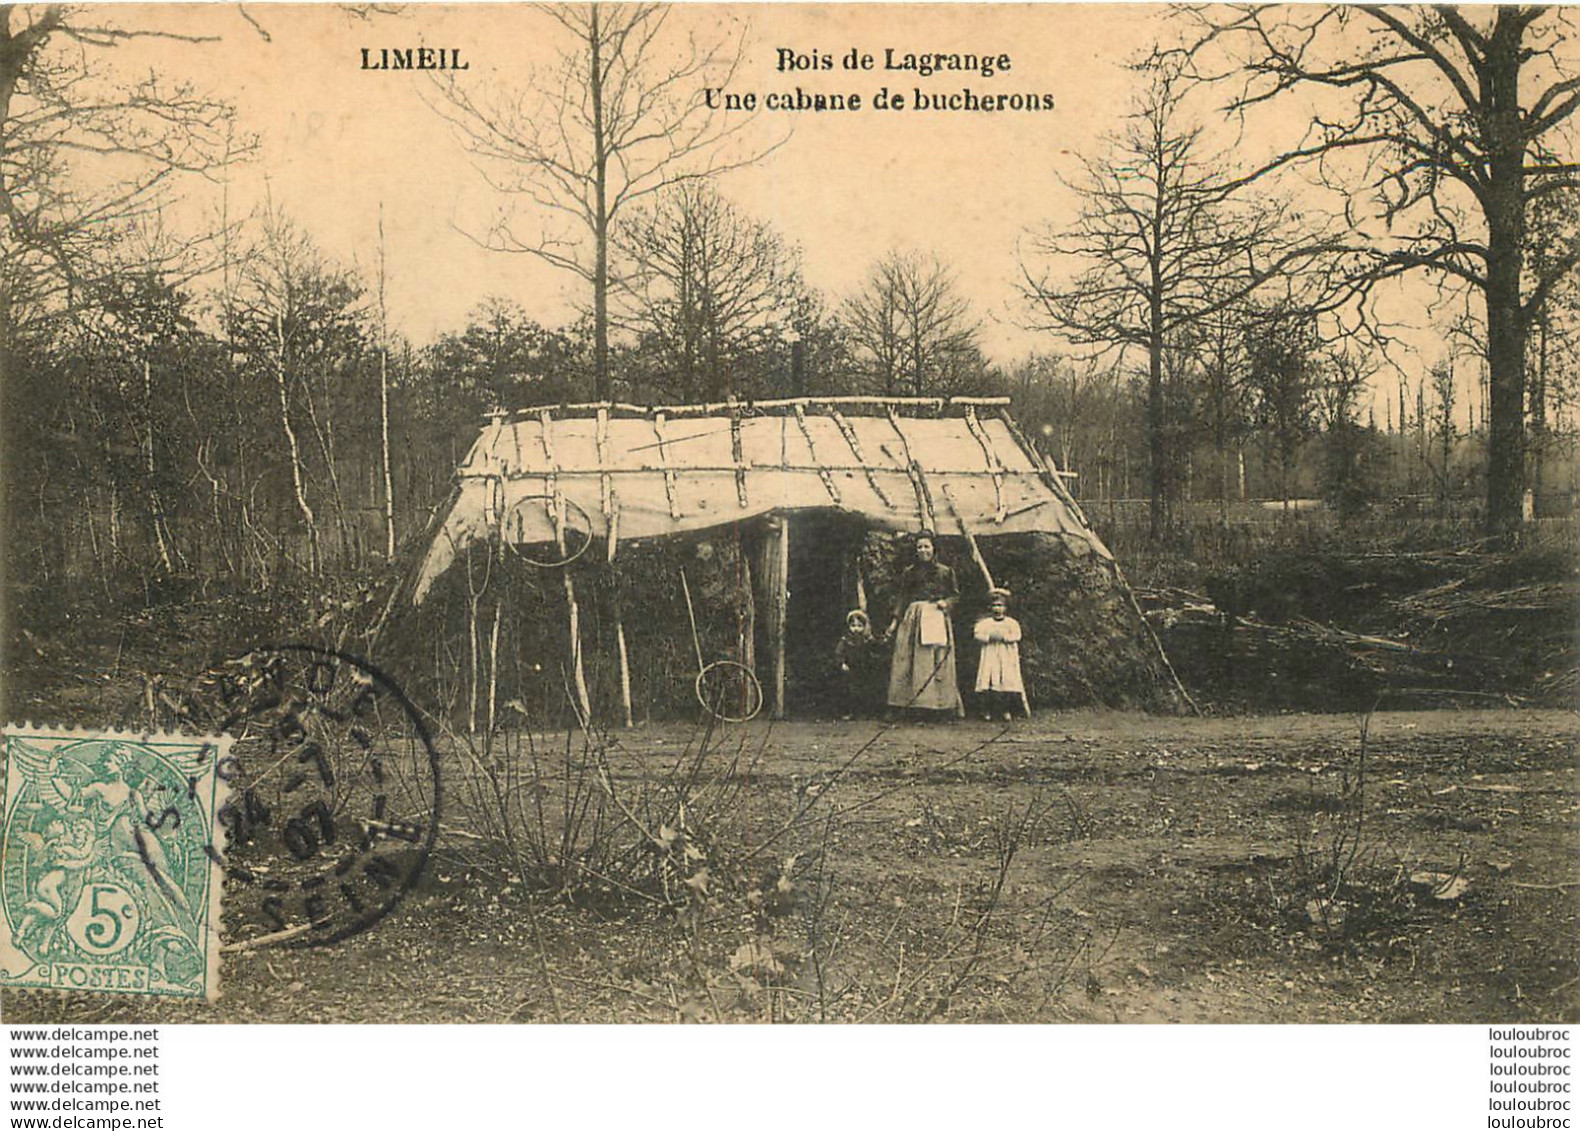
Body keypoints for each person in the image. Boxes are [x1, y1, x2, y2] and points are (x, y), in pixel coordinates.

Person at [885, 531, 964, 718]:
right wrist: (895, 622)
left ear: (933, 548)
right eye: (919, 547)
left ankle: (940, 706)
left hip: (936, 616)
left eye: (926, 546)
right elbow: (902, 597)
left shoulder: (945, 571)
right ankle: (907, 705)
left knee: (935, 660)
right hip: (913, 618)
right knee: (908, 661)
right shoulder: (909, 572)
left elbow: (955, 595)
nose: (923, 550)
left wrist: (947, 603)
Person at [974, 587, 1028, 720]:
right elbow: (977, 635)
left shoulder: (1011, 623)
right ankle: (987, 711)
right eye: (994, 606)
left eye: (1000, 606)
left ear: (1005, 608)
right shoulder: (985, 623)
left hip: (1006, 655)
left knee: (1006, 679)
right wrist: (989, 637)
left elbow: (1017, 635)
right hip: (990, 653)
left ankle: (1006, 710)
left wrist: (1004, 637)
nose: (997, 609)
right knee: (989, 678)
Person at [833, 608, 877, 719]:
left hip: (863, 668)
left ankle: (864, 712)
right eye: (853, 626)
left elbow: (873, 650)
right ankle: (850, 712)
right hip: (851, 668)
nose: (856, 629)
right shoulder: (846, 640)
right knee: (850, 690)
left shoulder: (866, 639)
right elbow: (839, 652)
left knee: (865, 690)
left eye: (859, 626)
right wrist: (842, 663)